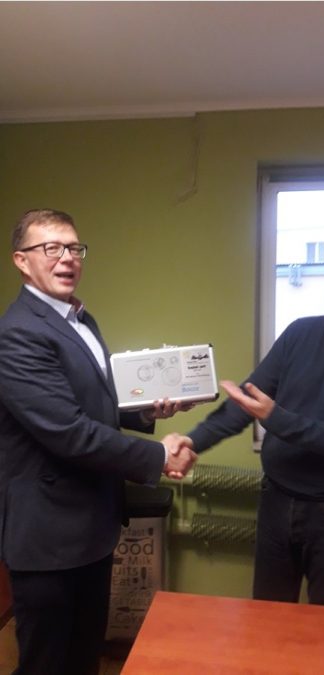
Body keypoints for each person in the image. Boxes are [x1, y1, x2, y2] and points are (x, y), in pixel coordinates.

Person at [167, 244, 324, 608]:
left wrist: (275, 418)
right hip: (276, 498)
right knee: (268, 614)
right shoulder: (301, 333)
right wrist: (191, 442)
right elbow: (245, 403)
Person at [0, 208, 197, 675]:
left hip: (93, 528)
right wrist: (158, 455)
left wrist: (146, 410)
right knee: (48, 664)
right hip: (48, 540)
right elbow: (69, 432)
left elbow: (95, 400)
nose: (67, 258)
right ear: (21, 261)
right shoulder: (17, 334)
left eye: (74, 248)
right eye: (51, 248)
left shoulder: (81, 320)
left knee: (84, 658)